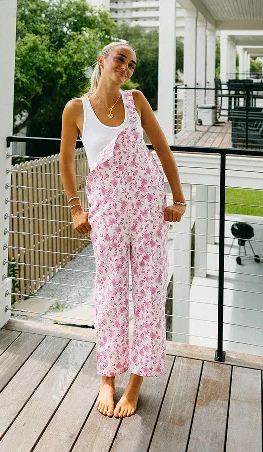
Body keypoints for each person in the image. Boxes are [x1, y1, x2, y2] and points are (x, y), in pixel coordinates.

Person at [60, 41, 186, 419]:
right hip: (107, 212)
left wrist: (177, 199)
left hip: (148, 209)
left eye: (131, 64)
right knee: (110, 291)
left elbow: (162, 150)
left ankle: (135, 384)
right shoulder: (76, 109)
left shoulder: (137, 102)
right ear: (102, 60)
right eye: (121, 60)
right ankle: (107, 377)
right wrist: (75, 208)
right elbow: (66, 162)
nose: (127, 68)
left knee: (148, 292)